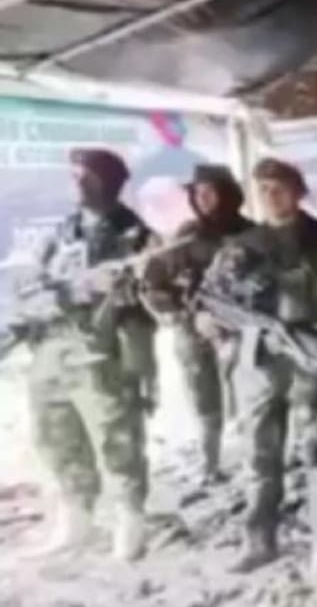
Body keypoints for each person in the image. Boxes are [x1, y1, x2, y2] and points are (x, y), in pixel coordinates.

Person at [199, 158, 317, 576]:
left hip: (311, 359)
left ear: (299, 192)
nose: (271, 196)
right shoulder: (242, 246)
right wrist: (215, 325)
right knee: (259, 456)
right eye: (263, 189)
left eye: (279, 188)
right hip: (259, 362)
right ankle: (259, 541)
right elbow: (208, 301)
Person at [13, 148, 155, 561]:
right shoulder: (62, 231)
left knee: (116, 437)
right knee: (55, 434)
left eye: (87, 176)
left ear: (110, 182)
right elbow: (31, 285)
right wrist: (67, 292)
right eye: (74, 175)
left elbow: (149, 299)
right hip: (53, 346)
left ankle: (130, 520)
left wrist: (120, 292)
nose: (77, 183)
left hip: (102, 350)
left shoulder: (135, 236)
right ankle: (77, 517)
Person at [143, 164, 253, 483]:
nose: (202, 199)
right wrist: (184, 315)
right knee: (203, 398)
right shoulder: (186, 238)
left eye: (210, 192)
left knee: (250, 397)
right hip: (194, 332)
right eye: (197, 192)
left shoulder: (252, 236)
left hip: (244, 331)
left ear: (228, 194)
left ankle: (253, 463)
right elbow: (153, 284)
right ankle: (210, 464)